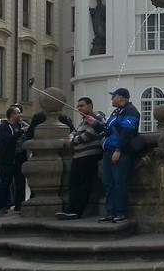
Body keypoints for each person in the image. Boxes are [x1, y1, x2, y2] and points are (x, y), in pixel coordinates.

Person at [93, 88, 141, 224]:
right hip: (109, 151)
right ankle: (111, 212)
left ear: (120, 97)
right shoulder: (116, 112)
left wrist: (119, 150)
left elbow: (127, 132)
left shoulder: (130, 111)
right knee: (108, 182)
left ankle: (121, 213)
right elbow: (108, 130)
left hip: (120, 152)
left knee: (119, 182)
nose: (111, 99)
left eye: (113, 96)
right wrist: (96, 125)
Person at [57, 97, 107, 220]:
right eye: (78, 106)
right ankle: (71, 210)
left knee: (84, 184)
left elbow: (89, 135)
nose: (79, 108)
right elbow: (75, 131)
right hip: (78, 156)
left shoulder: (96, 116)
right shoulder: (83, 120)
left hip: (89, 156)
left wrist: (73, 141)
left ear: (90, 106)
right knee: (73, 183)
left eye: (82, 106)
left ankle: (77, 211)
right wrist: (71, 137)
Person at [0, 106, 29, 213]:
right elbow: (7, 139)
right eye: (18, 113)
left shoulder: (21, 125)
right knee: (5, 183)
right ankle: (3, 205)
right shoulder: (4, 127)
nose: (21, 115)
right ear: (11, 115)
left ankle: (19, 204)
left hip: (20, 159)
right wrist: (21, 132)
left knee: (20, 182)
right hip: (7, 160)